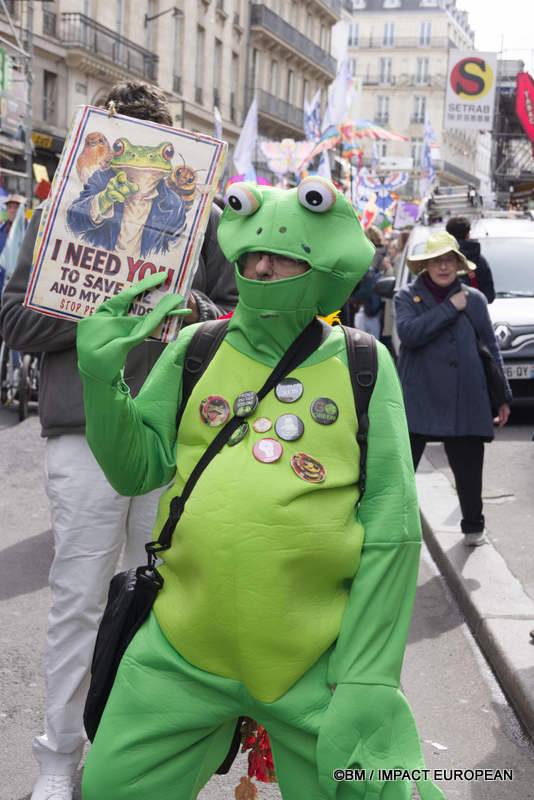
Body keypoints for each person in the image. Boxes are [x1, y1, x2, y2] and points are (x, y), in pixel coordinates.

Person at [76, 178, 443, 799]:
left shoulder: (364, 363)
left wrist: (368, 678)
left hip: (314, 663)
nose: (261, 266)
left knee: (376, 791)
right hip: (180, 649)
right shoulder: (198, 348)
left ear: (320, 263)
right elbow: (138, 469)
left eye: (282, 257)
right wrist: (100, 382)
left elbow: (392, 525)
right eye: (251, 257)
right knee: (112, 787)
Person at [0, 80, 237, 800]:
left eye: (157, 153)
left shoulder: (206, 219)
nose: (143, 167)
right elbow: (13, 319)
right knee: (80, 596)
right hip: (83, 435)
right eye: (123, 145)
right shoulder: (58, 215)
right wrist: (101, 316)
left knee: (155, 597)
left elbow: (234, 313)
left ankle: (129, 752)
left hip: (173, 435)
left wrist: (186, 307)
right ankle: (56, 756)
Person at [395, 231, 511, 547]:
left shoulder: (473, 299)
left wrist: (502, 396)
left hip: (467, 397)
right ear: (425, 266)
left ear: (458, 265)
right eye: (437, 261)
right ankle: (391, 532)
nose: (444, 267)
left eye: (449, 260)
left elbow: (490, 346)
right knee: (400, 472)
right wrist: (450, 308)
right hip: (420, 397)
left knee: (470, 468)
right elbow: (409, 334)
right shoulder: (407, 296)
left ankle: (473, 527)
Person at [445, 216, 495, 303]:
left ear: (447, 235)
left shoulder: (439, 260)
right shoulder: (480, 261)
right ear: (468, 234)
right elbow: (489, 295)